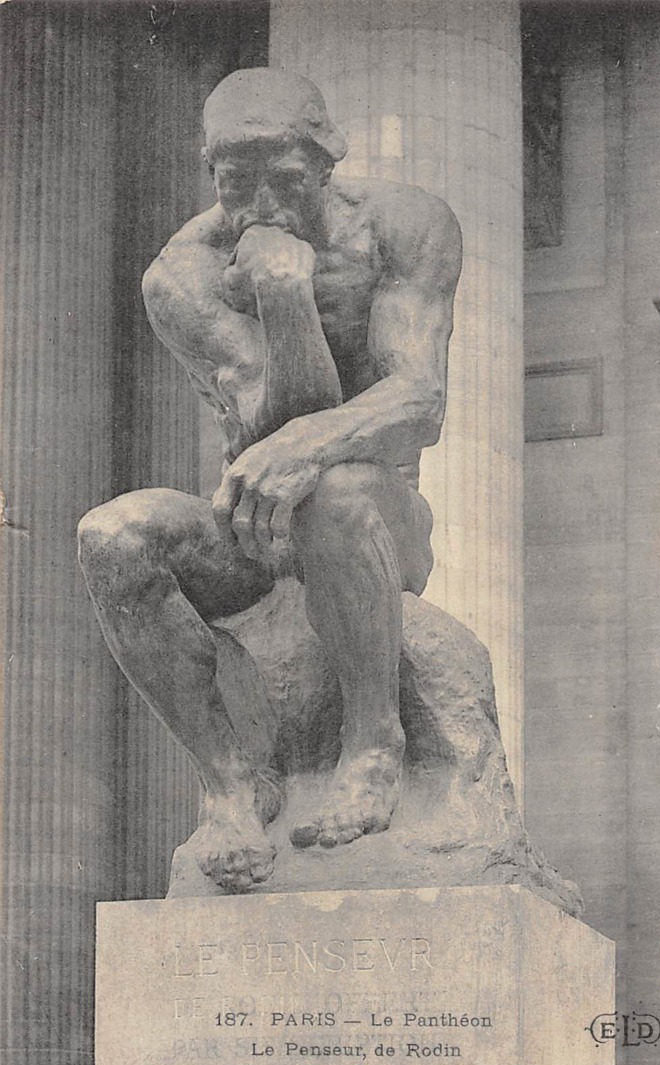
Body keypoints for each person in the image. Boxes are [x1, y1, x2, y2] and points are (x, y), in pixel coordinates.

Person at [78, 68, 462, 894]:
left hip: (379, 516)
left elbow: (420, 399)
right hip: (252, 531)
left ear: (327, 158)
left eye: (283, 177)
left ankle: (373, 739)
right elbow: (263, 425)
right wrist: (283, 301)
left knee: (332, 488)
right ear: (209, 171)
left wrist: (317, 441)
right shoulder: (179, 273)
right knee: (112, 535)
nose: (260, 202)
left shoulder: (405, 224)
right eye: (234, 181)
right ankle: (230, 783)